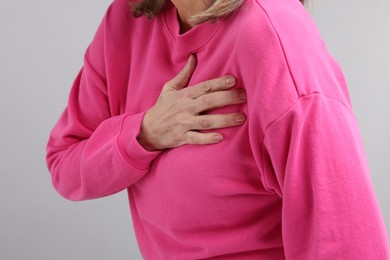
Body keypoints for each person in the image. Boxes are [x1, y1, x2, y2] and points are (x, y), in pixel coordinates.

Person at [46, 0, 390, 258]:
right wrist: (146, 132)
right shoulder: (126, 21)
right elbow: (65, 165)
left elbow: (347, 243)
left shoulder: (274, 39)